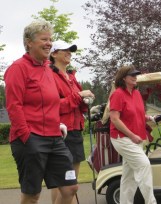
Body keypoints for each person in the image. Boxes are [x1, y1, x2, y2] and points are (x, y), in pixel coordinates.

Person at [4, 20, 78, 204]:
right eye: (44, 39)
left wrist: (58, 122)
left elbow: (52, 103)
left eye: (50, 39)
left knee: (70, 187)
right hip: (30, 139)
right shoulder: (17, 68)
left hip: (54, 137)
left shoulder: (47, 68)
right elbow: (14, 106)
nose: (49, 43)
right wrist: (26, 137)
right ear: (29, 42)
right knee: (32, 195)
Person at [49, 40, 95, 204]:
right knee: (68, 183)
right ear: (54, 54)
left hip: (75, 131)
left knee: (64, 183)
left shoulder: (72, 77)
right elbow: (53, 106)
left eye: (71, 50)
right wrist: (79, 96)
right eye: (65, 50)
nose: (69, 52)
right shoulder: (50, 76)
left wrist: (85, 100)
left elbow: (78, 106)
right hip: (61, 132)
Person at [109, 65, 157, 204]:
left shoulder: (136, 93)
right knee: (144, 165)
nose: (135, 77)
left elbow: (137, 113)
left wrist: (149, 118)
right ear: (124, 78)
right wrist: (131, 135)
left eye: (136, 74)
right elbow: (115, 119)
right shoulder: (118, 94)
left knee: (128, 176)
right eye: (132, 75)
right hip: (123, 138)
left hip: (136, 138)